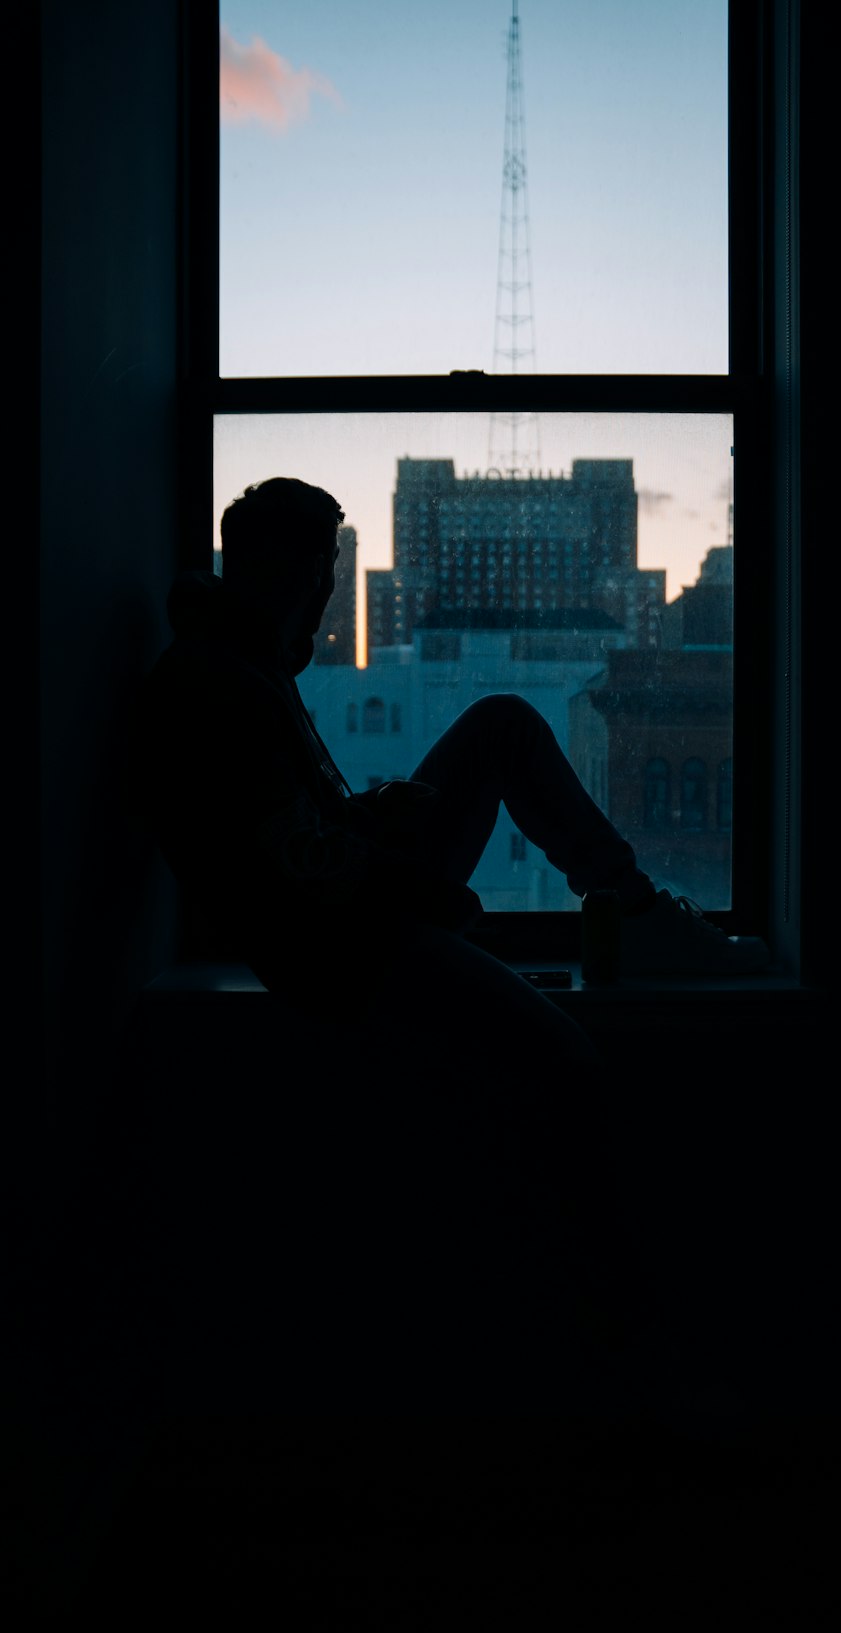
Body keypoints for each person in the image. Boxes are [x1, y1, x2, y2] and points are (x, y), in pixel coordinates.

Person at [128, 477, 766, 1381]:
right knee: (568, 1064)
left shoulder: (232, 667)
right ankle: (621, 1327)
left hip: (341, 923)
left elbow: (289, 839)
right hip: (343, 951)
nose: (325, 596)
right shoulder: (219, 685)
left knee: (501, 724)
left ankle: (630, 910)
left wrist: (369, 821)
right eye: (323, 575)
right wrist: (426, 896)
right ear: (304, 572)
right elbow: (291, 871)